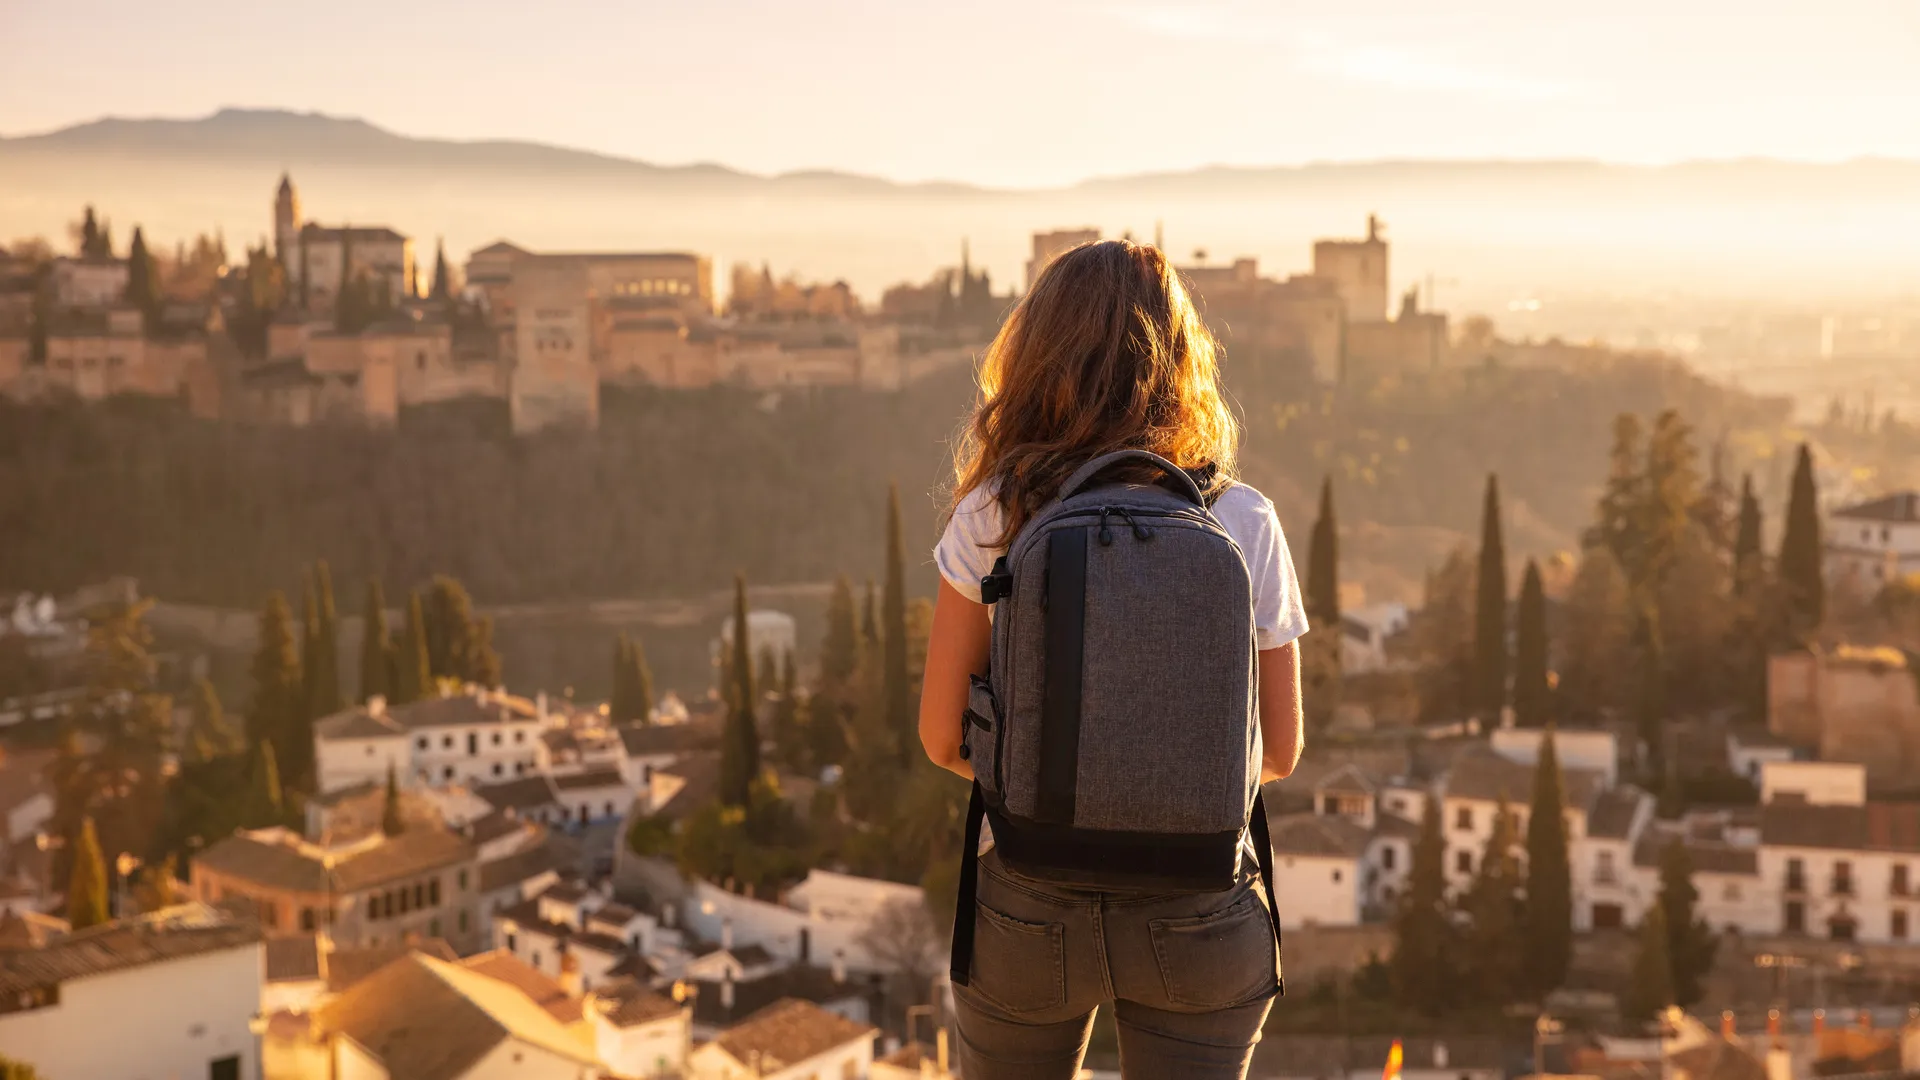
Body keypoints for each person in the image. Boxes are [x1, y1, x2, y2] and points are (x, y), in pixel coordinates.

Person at [919, 238, 1309, 1080]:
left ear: (1036, 356)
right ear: (1182, 360)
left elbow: (943, 737)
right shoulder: (1243, 521)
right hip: (1202, 912)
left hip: (1028, 900)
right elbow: (1277, 754)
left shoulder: (994, 513)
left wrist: (1058, 786)